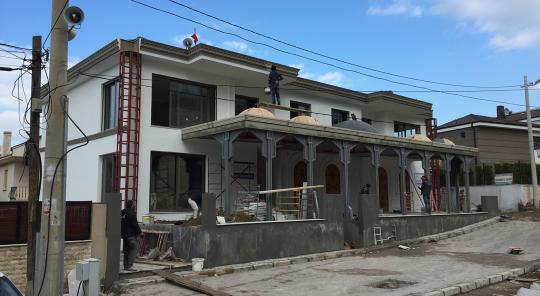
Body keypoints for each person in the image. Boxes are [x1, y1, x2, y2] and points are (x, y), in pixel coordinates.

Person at [121, 200, 142, 271]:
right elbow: (135, 224)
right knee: (134, 248)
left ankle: (126, 266)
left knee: (126, 250)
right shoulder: (132, 213)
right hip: (131, 235)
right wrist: (140, 232)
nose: (135, 205)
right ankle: (130, 265)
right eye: (135, 204)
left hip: (124, 235)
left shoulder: (123, 212)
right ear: (132, 205)